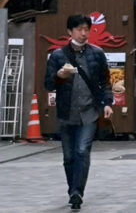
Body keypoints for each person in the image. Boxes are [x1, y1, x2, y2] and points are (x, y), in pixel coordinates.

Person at [44, 14, 114, 210]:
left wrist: (107, 103)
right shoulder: (58, 56)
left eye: (86, 29)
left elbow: (105, 81)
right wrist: (59, 75)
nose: (84, 34)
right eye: (79, 30)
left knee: (82, 151)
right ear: (70, 31)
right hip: (66, 113)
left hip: (89, 112)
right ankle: (72, 189)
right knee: (68, 157)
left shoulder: (97, 53)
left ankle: (77, 193)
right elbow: (48, 84)